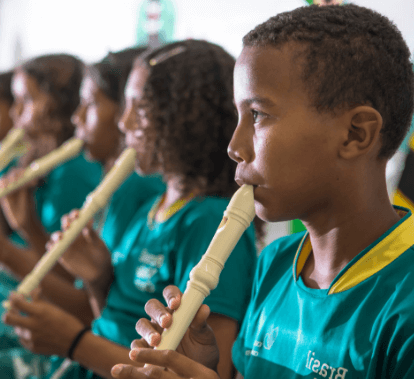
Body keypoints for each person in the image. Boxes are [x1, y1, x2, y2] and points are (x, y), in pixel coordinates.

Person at [110, 4, 414, 379]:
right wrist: (200, 370)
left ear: (356, 134)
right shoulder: (274, 262)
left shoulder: (405, 299)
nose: (234, 146)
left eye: (257, 115)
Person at [4, 40, 261, 379]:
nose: (124, 124)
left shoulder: (210, 222)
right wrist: (97, 280)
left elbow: (206, 371)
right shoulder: (151, 211)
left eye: (138, 109)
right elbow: (112, 321)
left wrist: (74, 342)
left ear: (182, 119)